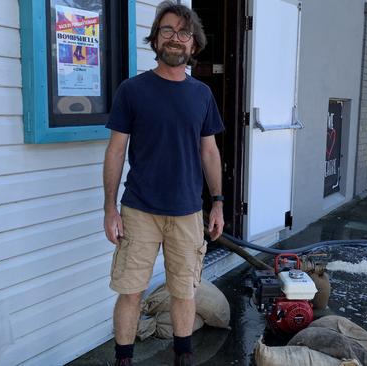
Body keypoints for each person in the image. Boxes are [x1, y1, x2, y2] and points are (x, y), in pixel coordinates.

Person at [102, 2, 224, 365]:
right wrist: (110, 208)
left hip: (187, 213)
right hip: (139, 210)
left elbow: (210, 152)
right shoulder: (132, 90)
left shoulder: (202, 94)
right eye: (167, 31)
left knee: (184, 292)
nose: (175, 38)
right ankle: (123, 359)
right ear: (155, 39)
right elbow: (115, 151)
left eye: (183, 33)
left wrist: (217, 201)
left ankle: (182, 358)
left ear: (193, 44)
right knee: (130, 291)